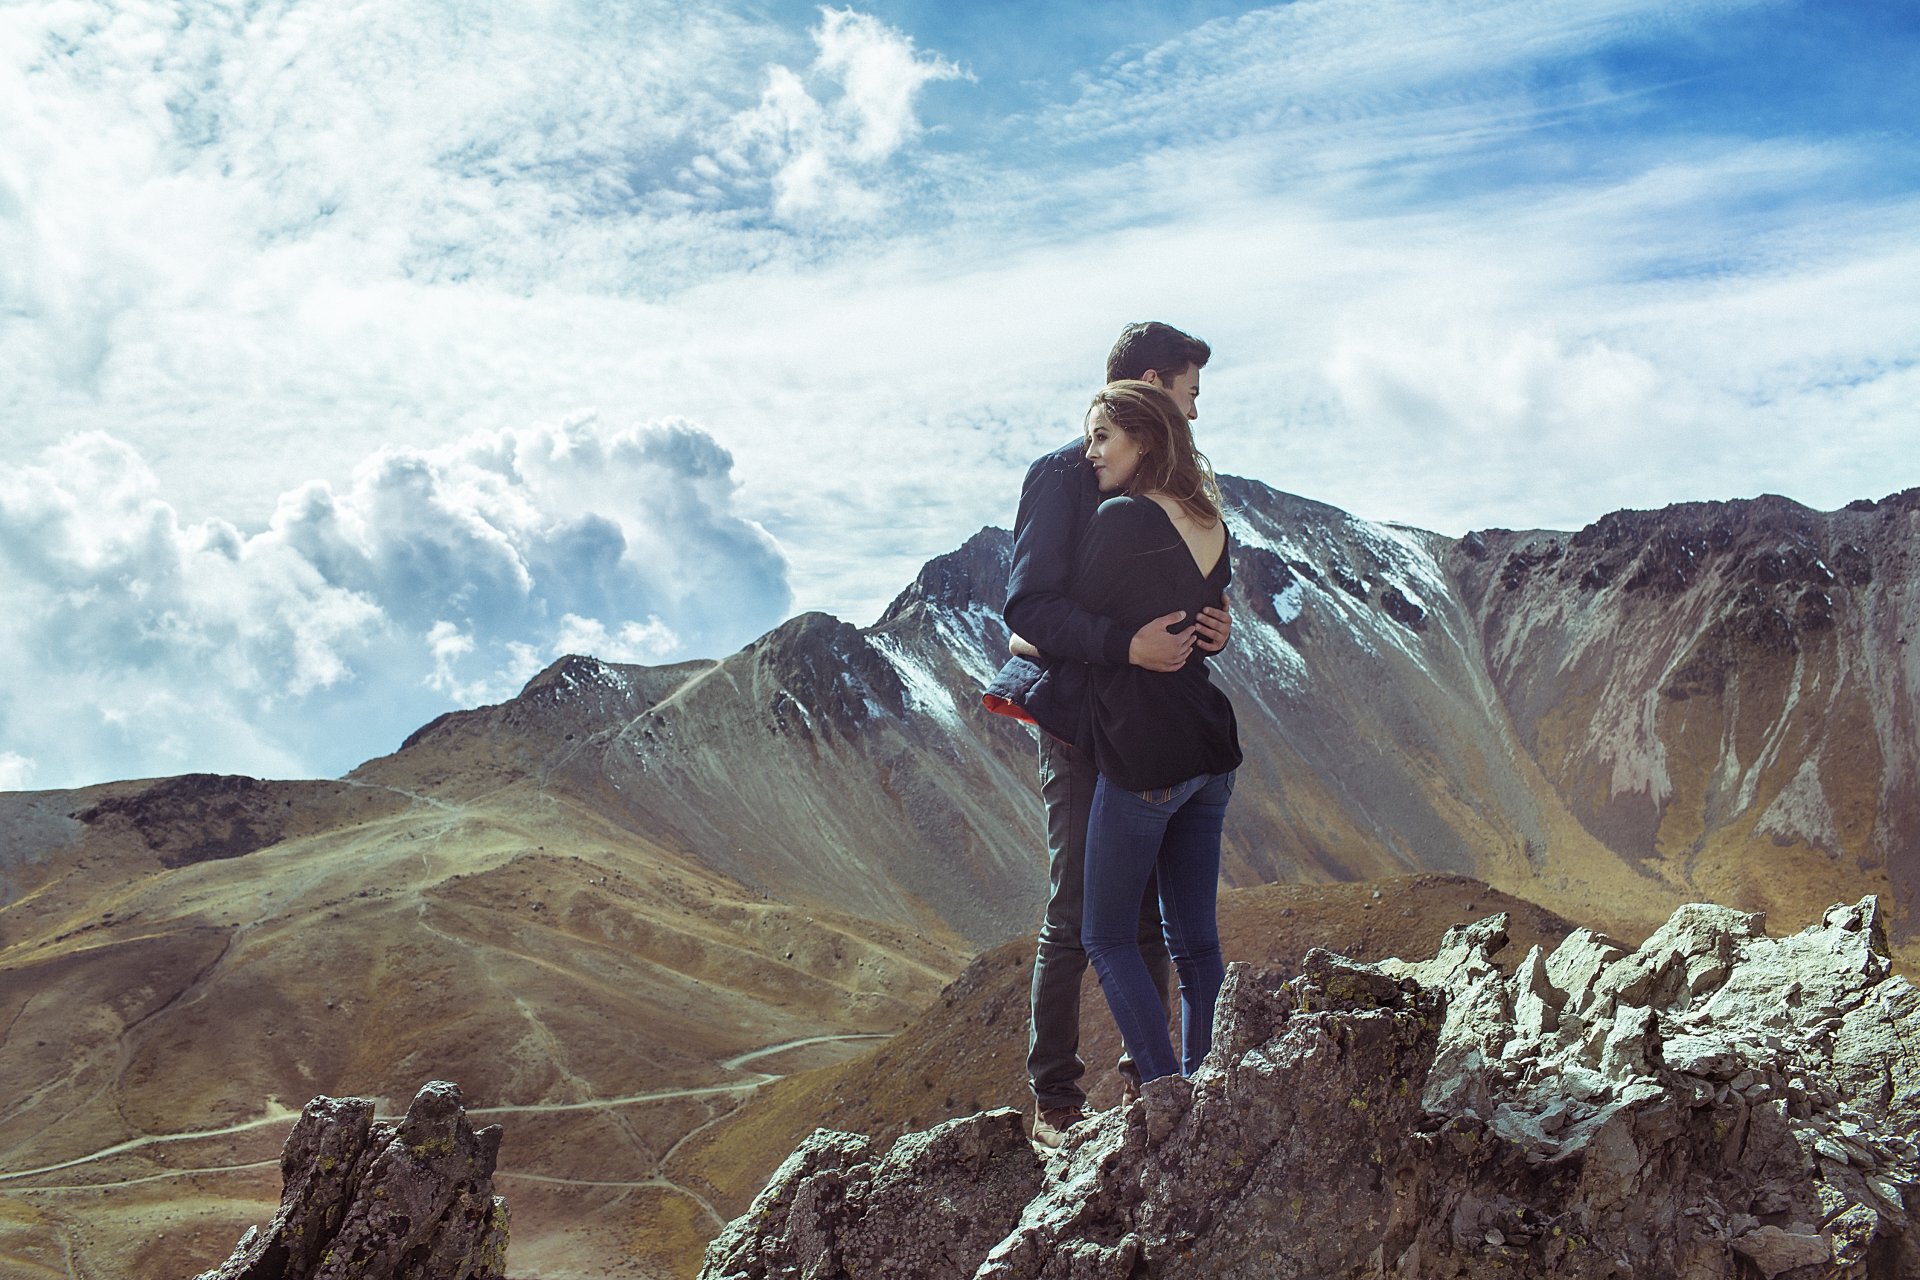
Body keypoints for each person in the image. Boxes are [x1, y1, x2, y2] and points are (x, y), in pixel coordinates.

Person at [983, 322, 1230, 1146]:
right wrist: (1124, 644)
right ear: (1154, 388)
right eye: (1188, 393)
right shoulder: (1064, 476)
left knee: (1151, 919)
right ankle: (1056, 1098)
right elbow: (1029, 614)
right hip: (1078, 719)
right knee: (1078, 911)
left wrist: (1210, 624)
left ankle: (1145, 1081)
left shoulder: (1176, 490)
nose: (1195, 411)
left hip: (1145, 723)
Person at [1071, 380, 1240, 1085]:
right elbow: (1204, 619)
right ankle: (1206, 1089)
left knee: (1105, 936)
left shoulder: (1123, 522)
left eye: (1102, 436)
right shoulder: (1210, 521)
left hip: (1148, 755)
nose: (1090, 453)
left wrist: (1027, 643)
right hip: (1210, 752)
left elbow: (1054, 627)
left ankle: (1167, 1093)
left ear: (1143, 439)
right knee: (1195, 940)